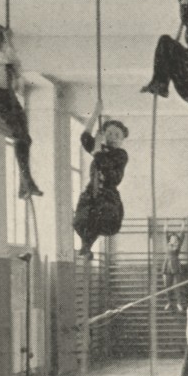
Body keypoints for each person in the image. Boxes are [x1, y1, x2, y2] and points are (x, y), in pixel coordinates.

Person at [0, 24, 42, 199]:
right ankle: (27, 183)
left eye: (0, 35)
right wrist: (9, 40)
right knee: (17, 134)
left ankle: (25, 185)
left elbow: (18, 69)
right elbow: (9, 59)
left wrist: (12, 55)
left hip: (9, 97)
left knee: (25, 138)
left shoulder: (5, 54)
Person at [72, 100, 129, 260]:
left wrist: (97, 151)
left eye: (117, 135)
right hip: (93, 189)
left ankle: (87, 245)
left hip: (108, 190)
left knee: (101, 218)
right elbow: (84, 138)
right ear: (104, 134)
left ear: (122, 139)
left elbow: (108, 167)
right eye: (109, 133)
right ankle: (86, 246)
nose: (112, 137)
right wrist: (95, 113)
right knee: (81, 220)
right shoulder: (100, 148)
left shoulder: (120, 154)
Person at [161, 222, 186, 311]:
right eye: (172, 238)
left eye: (175, 238)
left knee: (177, 286)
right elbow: (165, 234)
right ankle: (169, 302)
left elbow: (182, 236)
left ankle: (179, 303)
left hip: (175, 265)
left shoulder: (178, 245)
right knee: (167, 286)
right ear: (169, 239)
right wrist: (166, 225)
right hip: (167, 265)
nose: (173, 239)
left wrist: (183, 226)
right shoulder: (167, 244)